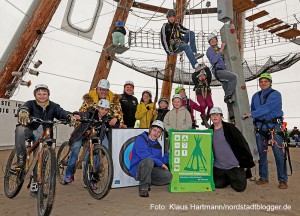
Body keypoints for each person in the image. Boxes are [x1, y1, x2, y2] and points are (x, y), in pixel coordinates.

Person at [15, 84, 74, 195]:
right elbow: (24, 107)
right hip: (31, 131)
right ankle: (21, 158)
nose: (41, 96)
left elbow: (61, 112)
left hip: (45, 136)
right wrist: (23, 111)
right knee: (20, 129)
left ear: (48, 94)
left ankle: (35, 185)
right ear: (35, 95)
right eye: (39, 93)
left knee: (40, 161)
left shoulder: (53, 106)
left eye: (44, 93)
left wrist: (69, 116)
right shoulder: (30, 103)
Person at [243, 73, 288, 189]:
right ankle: (264, 177)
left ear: (270, 82)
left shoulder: (275, 95)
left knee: (278, 154)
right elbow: (253, 108)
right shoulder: (255, 96)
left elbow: (266, 108)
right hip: (260, 127)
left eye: (265, 81)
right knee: (261, 154)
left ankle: (282, 180)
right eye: (261, 81)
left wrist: (250, 115)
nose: (263, 83)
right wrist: (253, 122)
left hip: (274, 127)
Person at [64, 99, 119, 184]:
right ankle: (69, 173)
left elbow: (115, 124)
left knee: (91, 156)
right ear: (97, 108)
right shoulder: (90, 114)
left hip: (91, 140)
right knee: (75, 148)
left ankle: (89, 180)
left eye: (106, 109)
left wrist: (116, 120)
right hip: (81, 136)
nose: (103, 111)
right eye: (101, 108)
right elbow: (83, 114)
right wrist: (77, 115)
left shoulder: (106, 118)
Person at [209, 107, 255, 192]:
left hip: (233, 165)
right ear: (210, 117)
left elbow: (242, 144)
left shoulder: (230, 128)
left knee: (240, 187)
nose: (215, 117)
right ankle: (226, 177)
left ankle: (236, 175)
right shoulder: (209, 131)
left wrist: (244, 164)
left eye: (217, 115)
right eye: (212, 115)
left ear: (221, 117)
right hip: (218, 166)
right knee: (218, 185)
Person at [130, 120, 172, 197]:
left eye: (159, 132)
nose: (156, 133)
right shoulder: (141, 138)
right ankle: (143, 188)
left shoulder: (158, 146)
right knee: (149, 160)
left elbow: (159, 161)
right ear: (150, 130)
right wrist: (160, 163)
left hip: (150, 170)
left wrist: (169, 153)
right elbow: (144, 154)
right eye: (154, 130)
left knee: (168, 176)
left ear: (160, 134)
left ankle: (147, 180)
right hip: (137, 170)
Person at [206, 33, 237, 104]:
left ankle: (231, 113)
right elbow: (213, 60)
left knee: (228, 94)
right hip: (218, 71)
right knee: (234, 77)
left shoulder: (218, 49)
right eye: (211, 40)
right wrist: (221, 50)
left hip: (223, 70)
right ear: (209, 42)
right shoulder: (210, 49)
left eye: (214, 39)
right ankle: (228, 96)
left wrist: (235, 43)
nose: (213, 40)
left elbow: (229, 52)